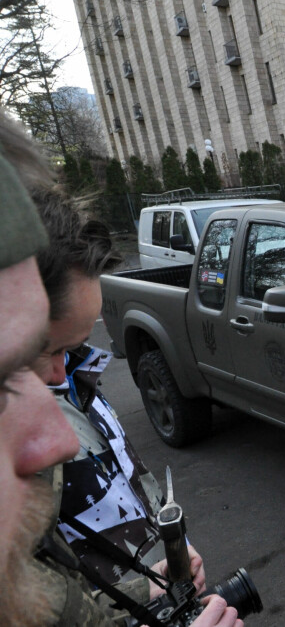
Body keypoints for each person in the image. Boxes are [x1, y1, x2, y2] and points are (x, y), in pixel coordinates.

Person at [0, 116, 239, 627]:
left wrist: (148, 582)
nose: (57, 440)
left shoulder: (76, 374)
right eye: (15, 369)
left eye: (77, 348)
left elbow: (125, 481)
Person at [29, 185, 198, 591]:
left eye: (72, 349)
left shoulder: (76, 370)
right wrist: (140, 597)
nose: (60, 375)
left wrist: (175, 547)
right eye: (46, 350)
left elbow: (129, 473)